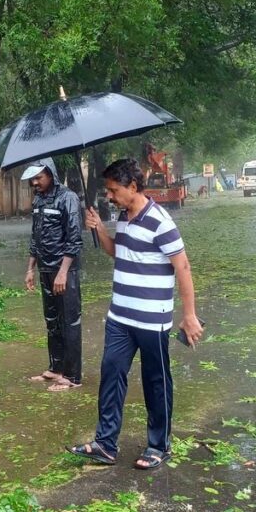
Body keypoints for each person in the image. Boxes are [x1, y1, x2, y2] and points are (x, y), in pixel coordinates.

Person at [67, 158, 203, 470]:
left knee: (156, 381)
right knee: (111, 375)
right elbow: (118, 251)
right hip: (120, 317)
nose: (110, 196)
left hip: (152, 319)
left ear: (132, 186)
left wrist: (190, 315)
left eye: (114, 190)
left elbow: (182, 266)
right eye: (108, 191)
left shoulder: (160, 221)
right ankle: (105, 443)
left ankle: (159, 445)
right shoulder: (123, 216)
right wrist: (100, 228)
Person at [22, 158, 84, 392]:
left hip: (64, 271)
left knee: (70, 321)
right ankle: (56, 367)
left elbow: (74, 238)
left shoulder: (68, 198)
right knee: (52, 321)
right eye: (32, 178)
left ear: (51, 174)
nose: (35, 182)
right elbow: (35, 237)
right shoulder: (38, 199)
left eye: (39, 177)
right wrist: (31, 268)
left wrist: (63, 272)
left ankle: (72, 376)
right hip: (45, 270)